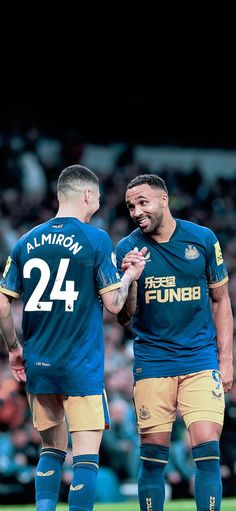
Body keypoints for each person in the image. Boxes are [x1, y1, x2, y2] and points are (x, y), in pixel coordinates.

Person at [0, 165, 146, 511]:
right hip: (80, 365)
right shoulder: (95, 238)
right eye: (96, 194)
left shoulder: (25, 242)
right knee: (85, 458)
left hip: (40, 366)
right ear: (87, 195)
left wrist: (14, 348)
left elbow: (3, 300)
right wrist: (129, 277)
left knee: (50, 450)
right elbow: (113, 304)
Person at [116, 174, 233, 511]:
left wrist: (226, 360)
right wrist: (131, 279)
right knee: (153, 459)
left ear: (163, 199)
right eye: (130, 206)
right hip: (153, 362)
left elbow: (221, 301)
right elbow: (124, 317)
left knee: (208, 451)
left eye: (143, 202)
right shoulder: (126, 249)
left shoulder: (202, 239)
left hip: (200, 359)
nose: (137, 211)